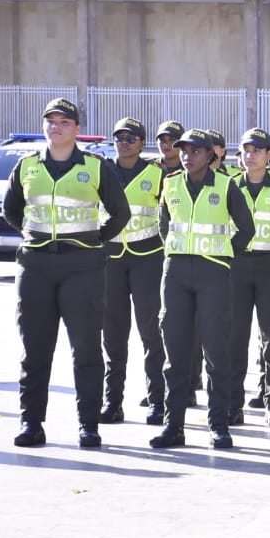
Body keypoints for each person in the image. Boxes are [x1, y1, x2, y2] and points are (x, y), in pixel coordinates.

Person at [5, 98, 131, 448]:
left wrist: (94, 240)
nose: (56, 127)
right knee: (35, 350)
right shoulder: (27, 166)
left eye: (64, 122)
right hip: (36, 265)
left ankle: (88, 424)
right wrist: (37, 238)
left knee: (86, 349)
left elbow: (119, 214)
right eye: (51, 121)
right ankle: (31, 423)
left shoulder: (95, 166)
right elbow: (11, 210)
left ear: (76, 129)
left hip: (83, 266)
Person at [150, 128, 254, 449]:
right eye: (183, 150)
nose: (186, 155)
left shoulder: (226, 186)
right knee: (176, 353)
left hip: (214, 273)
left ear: (210, 155)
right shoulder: (170, 184)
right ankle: (173, 426)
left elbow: (245, 229)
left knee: (215, 352)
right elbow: (164, 225)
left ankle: (218, 425)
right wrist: (175, 251)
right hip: (177, 273)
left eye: (195, 151)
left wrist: (223, 254)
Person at [100, 117, 166, 426]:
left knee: (152, 333)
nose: (124, 142)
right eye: (119, 137)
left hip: (147, 259)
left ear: (142, 143)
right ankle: (112, 402)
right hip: (110, 260)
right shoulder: (102, 172)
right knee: (113, 335)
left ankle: (157, 401)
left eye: (131, 137)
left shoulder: (157, 174)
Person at [228, 128, 270, 427]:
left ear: (268, 155)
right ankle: (232, 403)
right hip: (236, 267)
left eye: (257, 150)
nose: (250, 156)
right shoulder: (229, 186)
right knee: (233, 338)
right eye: (245, 150)